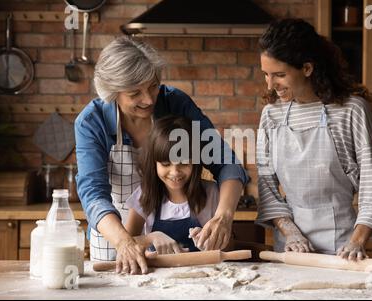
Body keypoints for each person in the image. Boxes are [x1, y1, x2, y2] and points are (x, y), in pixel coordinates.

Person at [75, 36, 248, 274]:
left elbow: (225, 162)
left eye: (153, 86)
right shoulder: (92, 122)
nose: (148, 100)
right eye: (135, 93)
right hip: (113, 237)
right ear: (113, 91)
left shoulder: (175, 103)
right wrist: (125, 241)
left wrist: (223, 216)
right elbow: (93, 194)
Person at [255, 18, 372, 261]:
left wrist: (356, 242)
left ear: (307, 68)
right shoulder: (271, 115)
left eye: (279, 75)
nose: (270, 84)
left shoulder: (351, 111)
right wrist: (291, 233)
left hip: (343, 248)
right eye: (266, 74)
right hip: (290, 248)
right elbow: (267, 187)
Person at [124, 116, 219, 254]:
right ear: (154, 163)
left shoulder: (211, 192)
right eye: (166, 164)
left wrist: (211, 241)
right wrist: (151, 238)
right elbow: (126, 243)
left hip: (205, 273)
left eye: (184, 163)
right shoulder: (144, 194)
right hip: (157, 274)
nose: (174, 172)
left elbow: (229, 246)